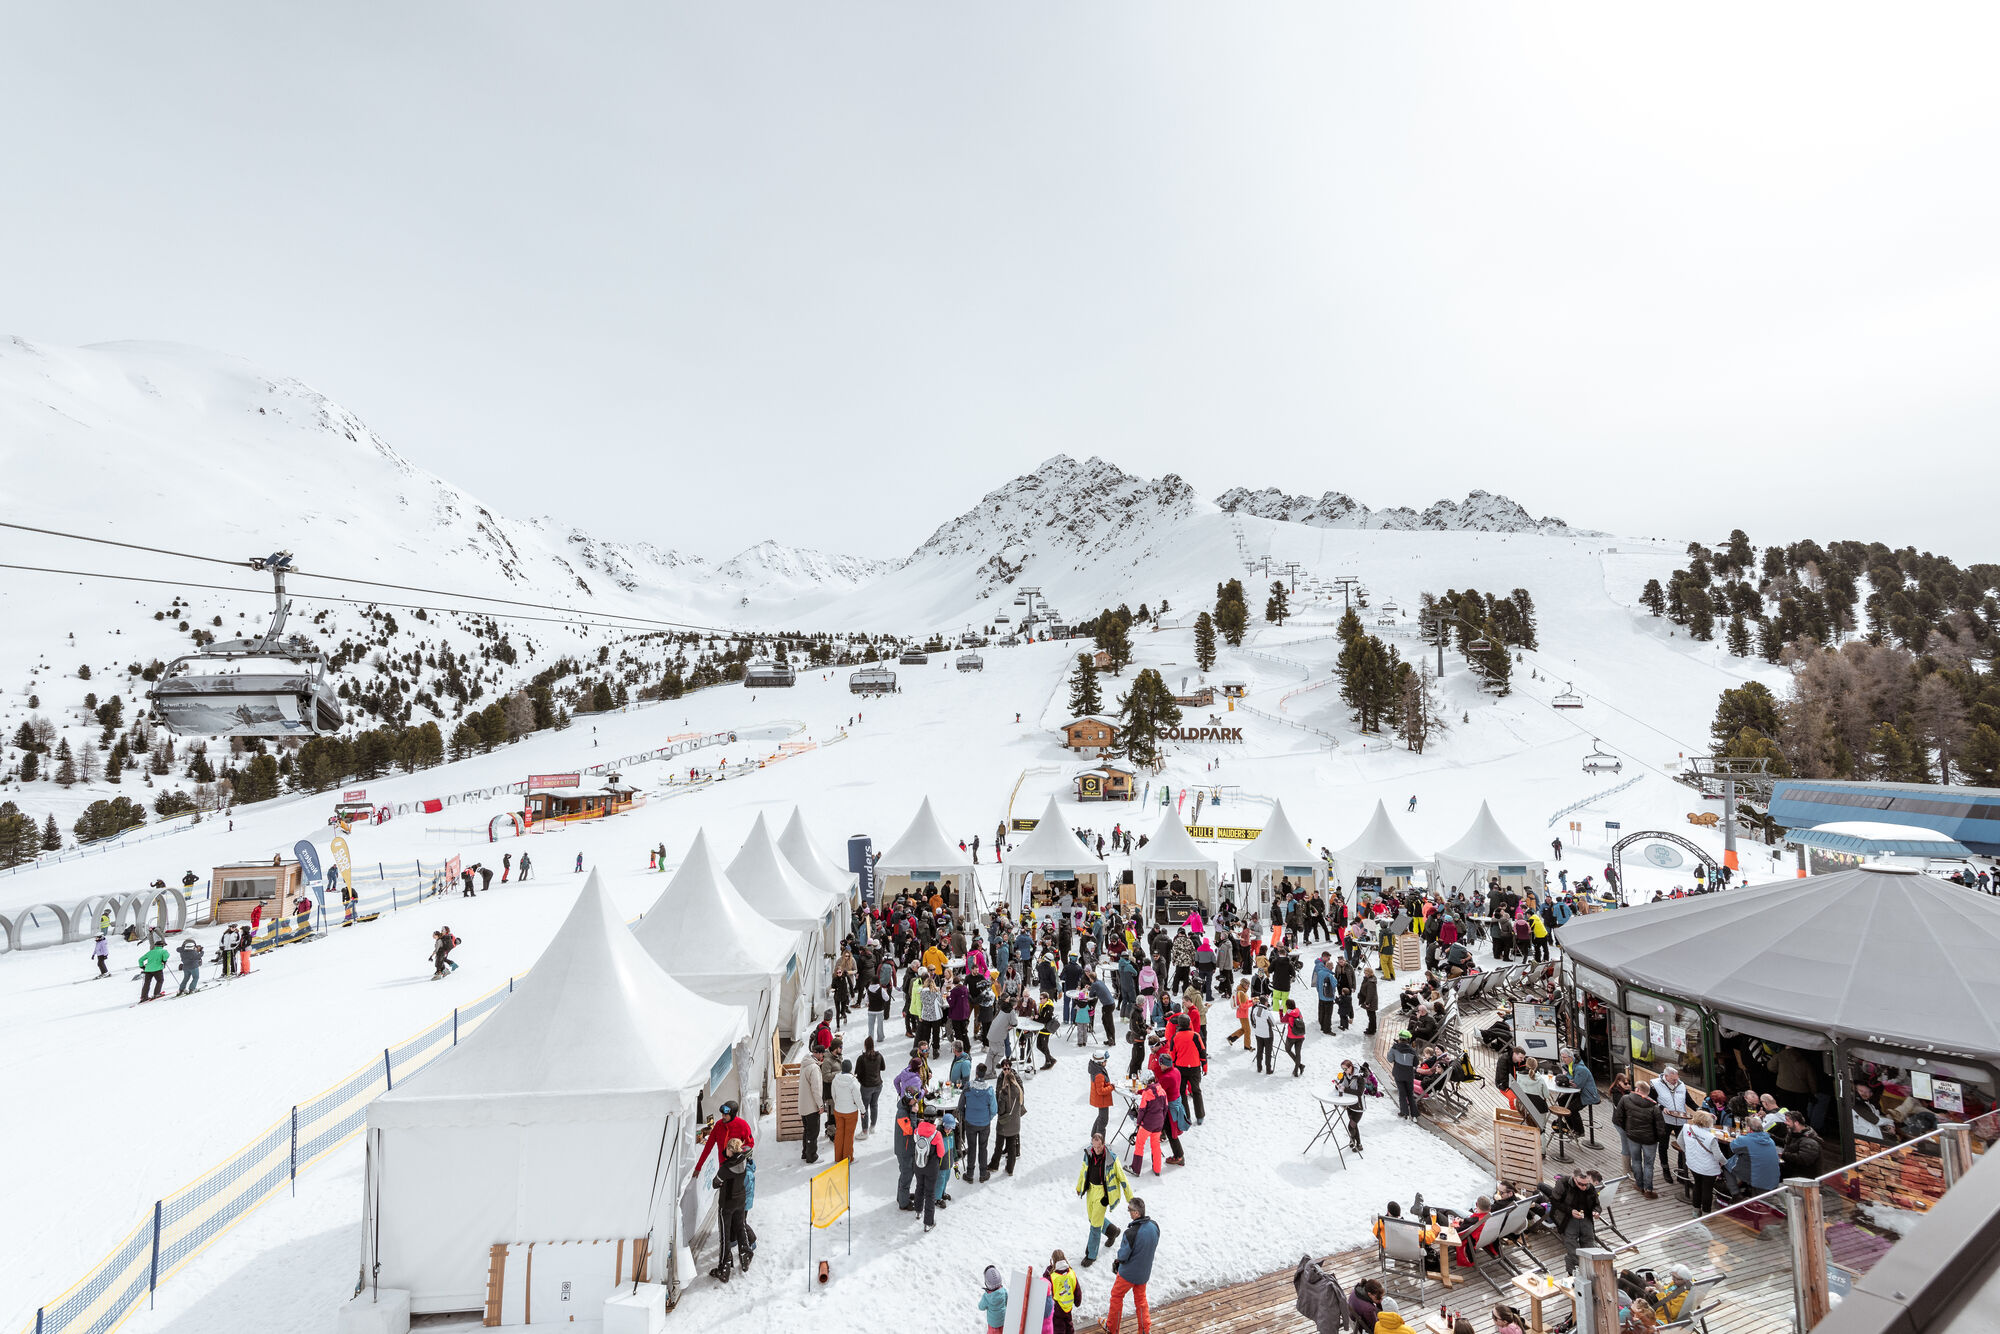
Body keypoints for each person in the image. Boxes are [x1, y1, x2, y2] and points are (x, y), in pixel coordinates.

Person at [1078, 1129, 1132, 1265]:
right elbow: (1083, 1170)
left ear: (1103, 1144)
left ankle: (1091, 1255)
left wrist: (1130, 1198)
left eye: (1098, 1147)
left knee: (1095, 1226)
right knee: (1092, 1219)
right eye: (1094, 1146)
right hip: (1090, 1191)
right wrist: (1079, 1187)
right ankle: (1113, 1231)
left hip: (1103, 1195)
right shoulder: (1088, 1153)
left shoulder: (1112, 1159)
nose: (1096, 1150)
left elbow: (1123, 1178)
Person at [1107, 1197, 1158, 1334]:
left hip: (1127, 1274)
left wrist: (1117, 1261)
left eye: (1129, 1210)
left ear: (1136, 1213)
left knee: (1116, 1296)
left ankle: (1112, 1328)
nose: (1128, 1212)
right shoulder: (1154, 1227)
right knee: (1141, 1301)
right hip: (1143, 1274)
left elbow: (1123, 1256)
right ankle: (1144, 1330)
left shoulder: (1131, 1233)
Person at [708, 1137, 754, 1283]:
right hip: (740, 1200)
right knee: (740, 1227)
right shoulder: (743, 1160)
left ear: (730, 1149)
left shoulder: (725, 1169)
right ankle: (745, 1254)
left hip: (727, 1205)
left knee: (725, 1235)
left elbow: (715, 1183)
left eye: (726, 1148)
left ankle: (724, 1267)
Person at [1614, 1079, 1667, 1198]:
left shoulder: (1625, 1099)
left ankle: (1639, 1185)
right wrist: (1658, 1138)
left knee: (1636, 1161)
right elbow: (1660, 1127)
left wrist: (1628, 1130)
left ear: (1637, 1089)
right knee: (1649, 1164)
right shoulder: (1654, 1106)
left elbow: (1618, 1118)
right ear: (1647, 1092)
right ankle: (1648, 1189)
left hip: (1633, 1137)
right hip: (1650, 1140)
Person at [1548, 1169, 1603, 1274]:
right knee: (1572, 1245)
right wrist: (1570, 1211)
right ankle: (1575, 1270)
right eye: (1580, 1184)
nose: (1583, 1187)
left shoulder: (1590, 1188)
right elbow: (1554, 1201)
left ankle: (1587, 1269)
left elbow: (1597, 1205)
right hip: (1567, 1217)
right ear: (1574, 1178)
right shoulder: (1563, 1183)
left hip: (1585, 1217)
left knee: (1589, 1242)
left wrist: (1596, 1211)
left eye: (1586, 1184)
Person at [1679, 1110, 1727, 1215]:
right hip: (1708, 1168)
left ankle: (1696, 1211)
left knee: (1697, 1185)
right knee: (1707, 1189)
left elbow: (1679, 1142)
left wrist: (1688, 1152)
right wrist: (1725, 1162)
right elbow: (1718, 1156)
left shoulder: (1687, 1128)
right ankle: (1706, 1213)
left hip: (1693, 1163)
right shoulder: (1710, 1137)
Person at [1725, 1114, 1780, 1195]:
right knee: (1746, 1158)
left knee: (1727, 1165)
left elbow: (1733, 1148)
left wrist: (1742, 1137)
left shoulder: (1745, 1140)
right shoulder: (1770, 1140)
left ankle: (1735, 1194)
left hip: (1758, 1180)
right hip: (1774, 1179)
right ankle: (1745, 1188)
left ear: (1749, 1128)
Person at [988, 1060, 1025, 1177]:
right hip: (1015, 1121)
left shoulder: (1003, 1093)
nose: (1006, 1070)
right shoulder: (1019, 1091)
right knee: (1012, 1145)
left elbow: (1001, 1110)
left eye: (1008, 1068)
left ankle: (994, 1165)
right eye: (1004, 1068)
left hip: (1004, 1123)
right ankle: (1010, 1169)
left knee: (999, 1144)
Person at [911, 1108, 946, 1231]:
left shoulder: (917, 1130)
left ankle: (918, 1211)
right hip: (931, 1167)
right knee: (930, 1193)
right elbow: (941, 1153)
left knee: (919, 1186)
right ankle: (928, 1223)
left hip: (918, 1164)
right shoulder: (937, 1134)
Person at [831, 1058, 862, 1163]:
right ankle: (848, 1159)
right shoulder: (853, 1081)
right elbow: (858, 1098)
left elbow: (833, 1094)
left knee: (839, 1133)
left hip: (838, 1110)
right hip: (851, 1112)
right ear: (850, 1069)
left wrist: (838, 1104)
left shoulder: (835, 1079)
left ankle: (838, 1158)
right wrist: (863, 1110)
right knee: (849, 1135)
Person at [1047, 1250, 1084, 1334]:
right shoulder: (1071, 1273)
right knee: (1069, 1324)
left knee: (1058, 1327)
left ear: (1053, 1261)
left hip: (1058, 1307)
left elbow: (1048, 1288)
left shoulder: (1052, 1277)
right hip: (1068, 1306)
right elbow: (1077, 1289)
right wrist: (1077, 1301)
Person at [1780, 1109, 1825, 1177]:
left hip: (1804, 1178)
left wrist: (1783, 1155)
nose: (1785, 1122)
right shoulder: (1792, 1133)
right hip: (1792, 1171)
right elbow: (1785, 1142)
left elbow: (1804, 1159)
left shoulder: (1809, 1141)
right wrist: (1771, 1136)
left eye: (1787, 1121)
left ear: (1796, 1123)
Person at [856, 1037, 886, 1136]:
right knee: (874, 1105)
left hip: (866, 1086)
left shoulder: (861, 1058)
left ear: (865, 1045)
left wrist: (861, 1080)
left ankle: (865, 1131)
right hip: (878, 1085)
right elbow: (883, 1068)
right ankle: (872, 1126)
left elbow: (857, 1072)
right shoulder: (879, 1056)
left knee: (864, 1108)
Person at [798, 1052, 824, 1164]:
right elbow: (816, 1089)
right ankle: (812, 1157)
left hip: (803, 1105)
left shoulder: (804, 1065)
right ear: (818, 1054)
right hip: (811, 1106)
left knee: (807, 1131)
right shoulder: (814, 1068)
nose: (822, 1057)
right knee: (813, 1132)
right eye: (822, 1054)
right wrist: (820, 1105)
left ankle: (805, 1153)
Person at [1389, 1030, 1420, 1118]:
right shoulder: (1412, 1050)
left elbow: (1390, 1059)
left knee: (1402, 1093)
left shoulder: (1394, 1048)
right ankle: (1414, 1113)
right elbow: (1416, 1063)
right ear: (1408, 1040)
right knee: (1410, 1093)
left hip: (1398, 1073)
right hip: (1409, 1075)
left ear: (1400, 1038)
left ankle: (1404, 1112)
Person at [1250, 995, 1278, 1074]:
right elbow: (1273, 1024)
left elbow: (1253, 1020)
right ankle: (1268, 1069)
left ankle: (1259, 1068)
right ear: (1265, 1003)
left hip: (1258, 1033)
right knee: (1268, 1052)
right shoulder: (1267, 1012)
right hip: (1267, 1035)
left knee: (1259, 1050)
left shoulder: (1255, 1009)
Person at [979, 1265, 1010, 1332]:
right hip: (1003, 1320)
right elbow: (1007, 1302)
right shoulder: (1004, 1291)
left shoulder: (986, 1297)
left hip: (993, 1325)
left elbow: (981, 1307)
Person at [1283, 998, 1307, 1077]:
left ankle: (1299, 1066)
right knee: (1298, 1053)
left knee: (1288, 1049)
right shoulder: (1298, 1011)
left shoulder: (1289, 1013)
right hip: (1301, 1035)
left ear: (1287, 1006)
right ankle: (1296, 1070)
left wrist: (1280, 1011)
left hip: (1291, 1036)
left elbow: (1282, 1020)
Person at [1360, 967, 1379, 1036]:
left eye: (1366, 973)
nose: (1365, 974)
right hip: (1371, 1000)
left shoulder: (1371, 982)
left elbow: (1370, 994)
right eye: (1364, 973)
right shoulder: (1368, 979)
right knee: (1371, 1015)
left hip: (1371, 1001)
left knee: (1371, 1016)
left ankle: (1371, 1030)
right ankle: (1372, 1028)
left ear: (1369, 973)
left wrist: (1367, 1002)